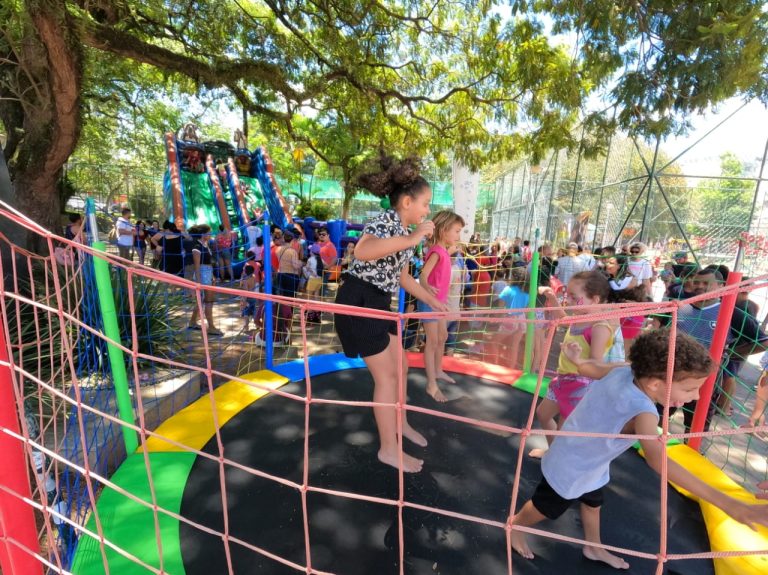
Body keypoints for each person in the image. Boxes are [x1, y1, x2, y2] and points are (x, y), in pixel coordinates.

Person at [510, 328, 768, 567]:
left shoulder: (626, 370)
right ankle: (516, 525)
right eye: (690, 389)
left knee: (592, 501)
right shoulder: (644, 412)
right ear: (655, 384)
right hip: (572, 465)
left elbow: (590, 368)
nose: (696, 396)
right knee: (546, 506)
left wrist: (577, 360)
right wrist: (731, 504)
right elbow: (658, 460)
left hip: (588, 460)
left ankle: (593, 547)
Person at [333, 155, 447, 473]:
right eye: (425, 204)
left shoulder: (405, 231)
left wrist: (431, 299)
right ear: (407, 202)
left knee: (401, 366)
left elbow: (402, 277)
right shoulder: (387, 222)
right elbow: (363, 250)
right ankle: (388, 449)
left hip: (379, 301)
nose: (427, 211)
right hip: (359, 300)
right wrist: (411, 238)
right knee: (386, 377)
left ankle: (401, 424)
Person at [529, 271, 618, 459]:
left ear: (594, 299)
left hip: (580, 385)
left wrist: (577, 359)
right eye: (567, 295)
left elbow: (596, 366)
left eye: (574, 297)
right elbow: (562, 319)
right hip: (563, 379)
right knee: (543, 414)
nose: (568, 301)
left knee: (564, 430)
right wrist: (552, 297)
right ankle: (554, 453)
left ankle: (558, 461)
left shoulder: (599, 327)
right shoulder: (579, 316)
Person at [676, 268, 767, 431]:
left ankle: (692, 445)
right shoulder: (680, 306)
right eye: (697, 282)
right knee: (656, 415)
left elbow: (763, 342)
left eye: (706, 283)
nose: (700, 286)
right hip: (672, 373)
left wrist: (732, 352)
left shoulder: (731, 313)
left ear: (721, 286)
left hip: (706, 379)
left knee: (695, 425)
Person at [418, 210, 465, 402]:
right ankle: (431, 384)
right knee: (432, 341)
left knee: (443, 336)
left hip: (440, 303)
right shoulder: (437, 251)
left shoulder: (443, 250)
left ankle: (438, 370)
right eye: (456, 231)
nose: (458, 235)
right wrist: (427, 287)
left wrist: (452, 247)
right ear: (444, 230)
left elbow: (448, 252)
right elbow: (423, 274)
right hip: (430, 302)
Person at [186, 224, 223, 335]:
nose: (210, 234)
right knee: (209, 301)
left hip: (208, 274)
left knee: (201, 301)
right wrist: (198, 283)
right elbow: (197, 267)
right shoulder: (197, 248)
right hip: (203, 276)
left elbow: (208, 263)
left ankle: (192, 322)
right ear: (203, 234)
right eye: (208, 232)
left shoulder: (206, 245)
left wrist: (212, 276)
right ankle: (211, 327)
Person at [275, 230, 303, 298]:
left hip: (281, 274)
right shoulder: (292, 251)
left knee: (282, 296)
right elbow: (295, 265)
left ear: (283, 239)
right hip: (291, 276)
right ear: (292, 240)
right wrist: (301, 263)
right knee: (290, 297)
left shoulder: (278, 249)